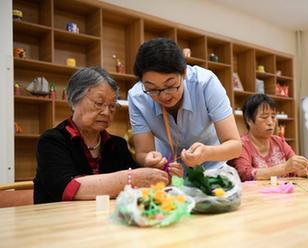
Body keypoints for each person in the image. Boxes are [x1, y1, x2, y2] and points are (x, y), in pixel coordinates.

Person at [34, 67, 169, 204]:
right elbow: (66, 188)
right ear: (74, 100)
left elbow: (137, 187)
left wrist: (157, 170)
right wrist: (130, 178)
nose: (106, 112)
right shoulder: (52, 141)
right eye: (99, 103)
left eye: (112, 106)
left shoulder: (117, 145)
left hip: (105, 222)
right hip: (57, 221)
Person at [128, 38, 241, 173]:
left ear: (184, 73)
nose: (163, 96)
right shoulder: (137, 97)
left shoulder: (206, 83)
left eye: (170, 85)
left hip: (211, 170)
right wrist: (148, 159)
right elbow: (143, 152)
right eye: (152, 89)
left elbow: (235, 146)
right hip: (168, 171)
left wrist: (206, 153)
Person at [228, 94, 308, 181]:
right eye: (264, 117)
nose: (270, 122)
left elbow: (294, 169)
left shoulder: (279, 141)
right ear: (249, 120)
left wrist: (306, 170)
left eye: (273, 117)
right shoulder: (241, 145)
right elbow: (245, 174)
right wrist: (284, 168)